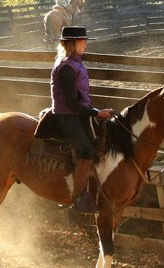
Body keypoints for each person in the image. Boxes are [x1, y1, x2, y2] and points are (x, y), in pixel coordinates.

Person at [50, 26, 115, 213]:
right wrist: (96, 113)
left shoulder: (74, 63)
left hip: (77, 112)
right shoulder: (67, 68)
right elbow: (71, 102)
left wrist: (94, 111)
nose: (85, 44)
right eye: (82, 41)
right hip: (67, 115)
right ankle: (77, 197)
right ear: (73, 44)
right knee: (86, 150)